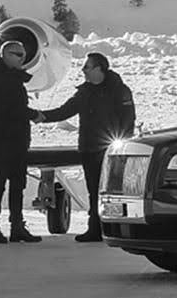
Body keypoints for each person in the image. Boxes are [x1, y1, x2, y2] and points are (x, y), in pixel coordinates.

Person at [34, 52, 135, 242]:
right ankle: (95, 228)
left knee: (112, 191)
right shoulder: (85, 92)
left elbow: (128, 121)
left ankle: (114, 227)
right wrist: (41, 116)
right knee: (94, 190)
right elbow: (65, 110)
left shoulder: (120, 90)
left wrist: (122, 147)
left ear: (100, 69)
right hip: (90, 149)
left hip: (112, 151)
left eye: (87, 67)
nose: (83, 70)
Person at [0, 40, 43, 244]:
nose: (22, 58)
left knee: (17, 184)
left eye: (23, 54)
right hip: (2, 139)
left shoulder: (11, 79)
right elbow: (11, 108)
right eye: (17, 54)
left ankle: (17, 226)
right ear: (5, 55)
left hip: (17, 138)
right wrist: (34, 114)